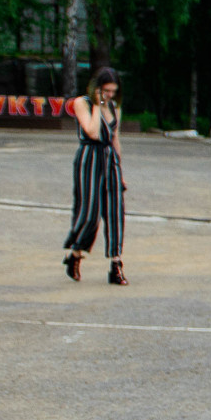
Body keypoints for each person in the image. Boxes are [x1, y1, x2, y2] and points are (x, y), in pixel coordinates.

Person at [64, 67, 129, 285]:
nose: (110, 95)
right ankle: (75, 254)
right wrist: (97, 104)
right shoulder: (81, 103)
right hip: (89, 157)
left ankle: (116, 265)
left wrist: (119, 171)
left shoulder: (114, 107)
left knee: (115, 211)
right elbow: (92, 131)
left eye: (113, 91)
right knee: (89, 213)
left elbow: (115, 138)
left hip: (109, 159)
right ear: (97, 87)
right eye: (106, 90)